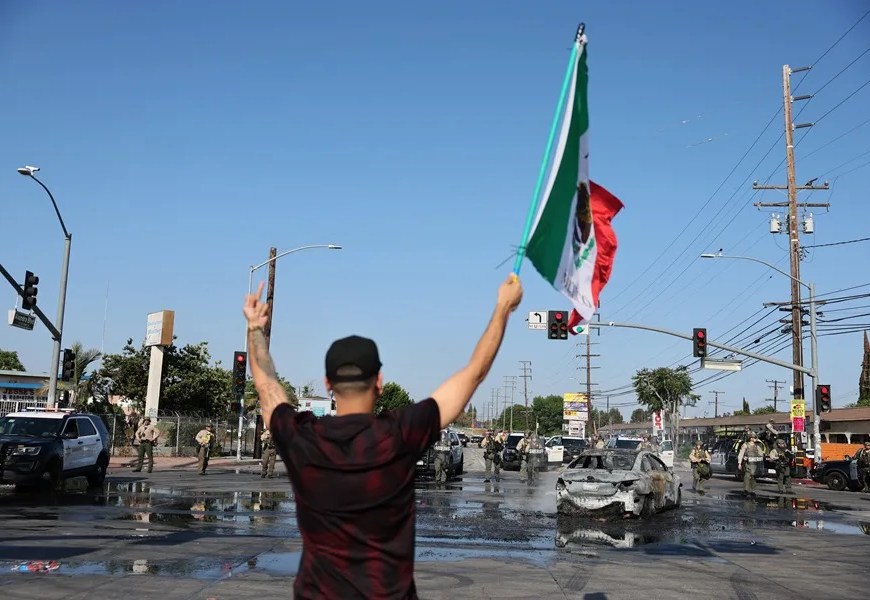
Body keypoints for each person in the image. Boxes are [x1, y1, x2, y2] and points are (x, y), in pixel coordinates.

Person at [244, 274, 522, 598]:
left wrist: (254, 327)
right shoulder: (400, 434)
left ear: (327, 384)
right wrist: (503, 307)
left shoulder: (301, 437)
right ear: (379, 382)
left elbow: (266, 384)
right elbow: (474, 372)